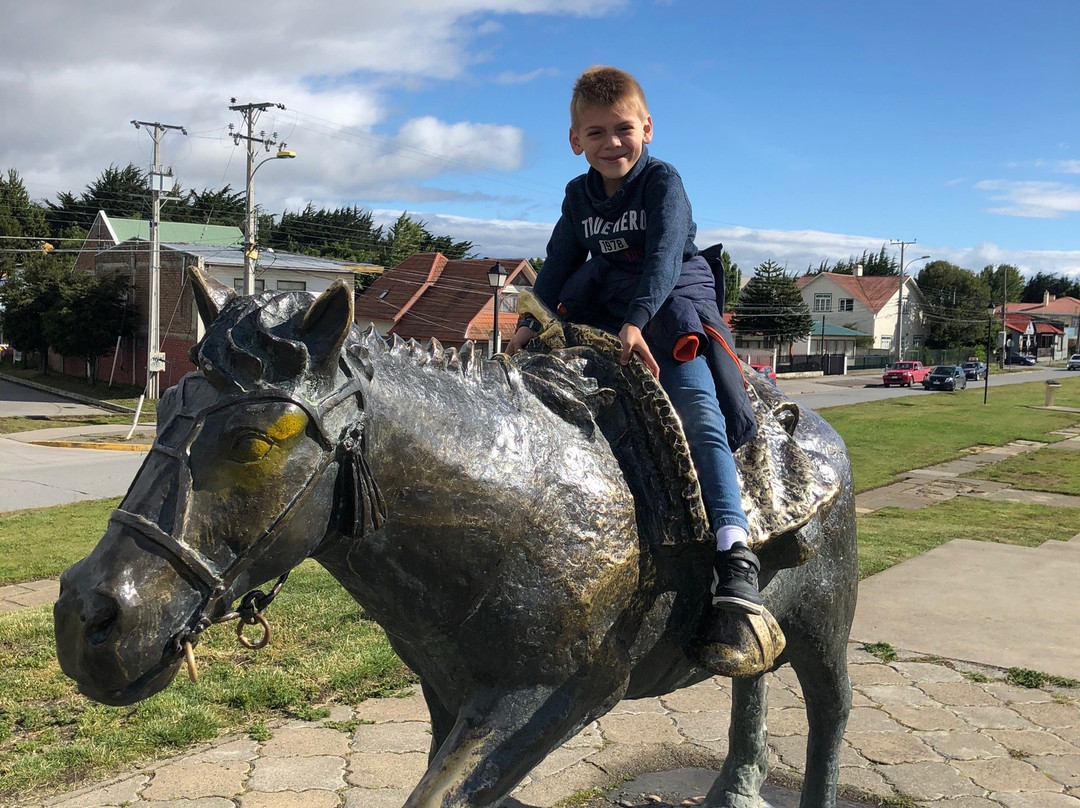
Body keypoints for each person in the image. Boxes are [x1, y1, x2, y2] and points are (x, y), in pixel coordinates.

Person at [506, 66, 762, 615]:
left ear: (647, 128)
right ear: (576, 141)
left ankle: (733, 546)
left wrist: (638, 320)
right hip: (607, 297)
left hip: (669, 300)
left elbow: (666, 255)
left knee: (696, 407)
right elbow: (558, 265)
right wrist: (527, 324)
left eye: (623, 129)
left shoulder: (663, 183)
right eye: (595, 132)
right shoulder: (579, 196)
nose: (611, 143)